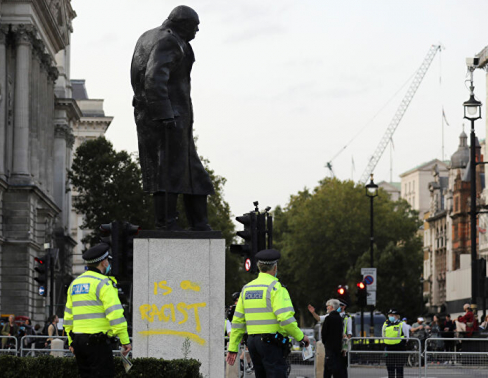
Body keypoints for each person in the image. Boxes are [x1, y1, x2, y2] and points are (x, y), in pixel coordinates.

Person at [131, 5, 214, 231]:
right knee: (169, 172)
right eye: (195, 27)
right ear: (183, 24)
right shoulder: (170, 41)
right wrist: (166, 116)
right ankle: (169, 224)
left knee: (183, 171)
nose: (197, 32)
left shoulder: (148, 36)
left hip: (150, 116)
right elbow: (153, 78)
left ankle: (198, 223)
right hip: (167, 118)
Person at [227, 249, 309, 377]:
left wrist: (233, 347)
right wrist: (300, 337)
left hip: (253, 343)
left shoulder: (247, 288)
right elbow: (285, 318)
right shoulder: (276, 288)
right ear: (275, 268)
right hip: (272, 344)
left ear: (259, 267)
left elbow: (237, 321)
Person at [65, 243, 131, 377]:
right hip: (98, 344)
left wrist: (70, 341)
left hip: (79, 342)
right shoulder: (104, 283)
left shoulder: (75, 283)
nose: (108, 264)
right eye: (108, 261)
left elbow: (68, 316)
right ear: (103, 263)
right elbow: (116, 314)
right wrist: (125, 340)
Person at [382, 309, 411, 378]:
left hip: (399, 348)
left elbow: (407, 336)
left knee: (399, 368)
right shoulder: (385, 324)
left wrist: (403, 343)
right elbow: (383, 335)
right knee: (390, 368)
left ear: (397, 316)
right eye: (390, 315)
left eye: (392, 315)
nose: (391, 316)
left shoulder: (402, 324)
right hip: (388, 348)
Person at [322, 299, 347, 378]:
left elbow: (324, 334)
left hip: (329, 348)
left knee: (328, 371)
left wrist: (325, 343)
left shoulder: (328, 319)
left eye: (328, 306)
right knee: (337, 370)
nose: (327, 307)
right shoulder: (340, 319)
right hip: (338, 348)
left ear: (332, 307)